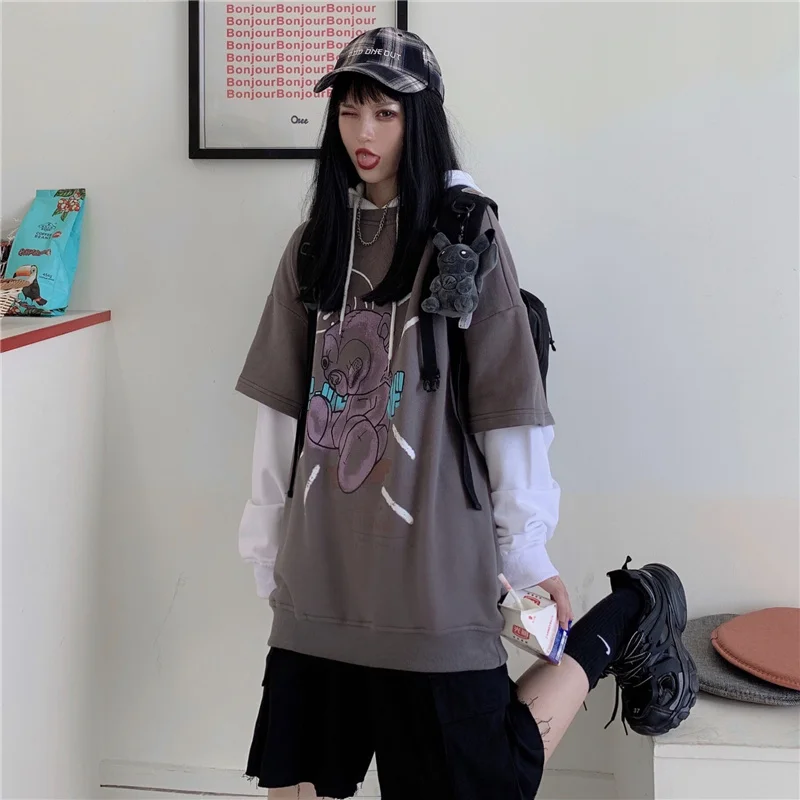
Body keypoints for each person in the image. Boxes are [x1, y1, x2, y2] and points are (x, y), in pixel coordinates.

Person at [236, 27, 698, 800]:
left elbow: (507, 405)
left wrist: (528, 551)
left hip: (434, 577)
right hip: (324, 571)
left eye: (385, 113)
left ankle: (630, 610)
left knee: (486, 777)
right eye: (350, 111)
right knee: (297, 784)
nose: (364, 132)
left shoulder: (463, 236)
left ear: (419, 121)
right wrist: (265, 542)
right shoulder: (314, 246)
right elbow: (280, 411)